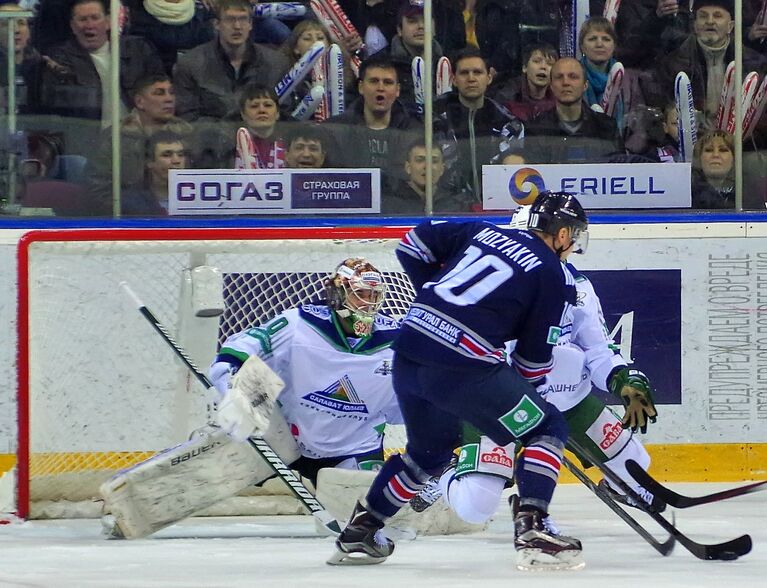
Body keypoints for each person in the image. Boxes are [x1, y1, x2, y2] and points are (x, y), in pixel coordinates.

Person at [329, 191, 588, 570]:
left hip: (410, 350)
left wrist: (440, 305)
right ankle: (532, 525)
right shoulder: (552, 273)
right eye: (574, 236)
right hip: (461, 368)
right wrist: (523, 408)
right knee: (547, 425)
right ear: (562, 234)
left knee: (427, 455)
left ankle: (362, 529)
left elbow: (413, 245)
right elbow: (531, 363)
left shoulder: (482, 231)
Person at [410, 205, 663, 529]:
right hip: (500, 405)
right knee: (475, 508)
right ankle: (445, 470)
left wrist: (623, 378)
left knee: (636, 465)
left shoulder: (579, 288)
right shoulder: (485, 285)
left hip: (568, 401)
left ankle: (619, 488)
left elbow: (599, 350)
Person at [209, 258, 403, 484]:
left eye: (373, 295)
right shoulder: (300, 323)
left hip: (357, 448)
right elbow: (247, 344)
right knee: (250, 378)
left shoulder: (397, 342)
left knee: (365, 515)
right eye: (359, 294)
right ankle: (215, 445)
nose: (367, 304)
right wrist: (228, 373)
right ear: (338, 294)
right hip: (285, 438)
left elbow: (413, 402)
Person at [38, 0, 165, 128]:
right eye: (82, 19)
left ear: (108, 21)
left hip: (138, 133)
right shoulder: (59, 57)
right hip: (88, 135)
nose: (89, 25)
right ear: (72, 26)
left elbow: (160, 91)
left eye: (95, 18)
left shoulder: (139, 49)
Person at [83, 74, 194, 215]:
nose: (169, 99)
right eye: (159, 93)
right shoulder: (114, 138)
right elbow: (96, 193)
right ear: (140, 101)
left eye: (171, 93)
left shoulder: (187, 134)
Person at [433, 48, 524, 210]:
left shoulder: (508, 123)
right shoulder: (435, 118)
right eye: (464, 73)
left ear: (489, 77)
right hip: (444, 207)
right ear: (453, 79)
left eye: (477, 72)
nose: (471, 78)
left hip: (495, 208)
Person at [172, 0, 290, 121]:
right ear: (216, 24)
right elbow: (187, 118)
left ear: (250, 24)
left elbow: (284, 114)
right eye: (230, 19)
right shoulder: (190, 64)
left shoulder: (277, 63)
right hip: (210, 137)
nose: (237, 26)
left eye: (243, 19)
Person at [323, 54, 416, 193]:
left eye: (388, 82)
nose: (380, 88)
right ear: (361, 87)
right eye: (373, 81)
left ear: (397, 90)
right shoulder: (334, 130)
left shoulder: (414, 132)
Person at [524, 57, 623, 164]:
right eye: (559, 77)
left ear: (585, 85)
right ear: (551, 86)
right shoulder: (536, 129)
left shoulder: (607, 127)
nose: (566, 82)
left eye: (573, 77)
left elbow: (621, 168)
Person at [382, 139, 468, 214]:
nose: (427, 166)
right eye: (420, 160)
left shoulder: (456, 205)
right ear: (408, 167)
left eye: (434, 161)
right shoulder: (391, 205)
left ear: (442, 169)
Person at [120, 130, 189, 216]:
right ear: (149, 162)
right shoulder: (129, 202)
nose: (177, 161)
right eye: (167, 155)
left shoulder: (197, 198)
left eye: (181, 154)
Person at [493, 42, 557, 122]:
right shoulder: (507, 97)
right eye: (537, 61)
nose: (543, 67)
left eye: (549, 63)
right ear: (525, 67)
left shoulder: (559, 99)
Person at [691, 129, 735, 209]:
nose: (715, 155)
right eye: (709, 150)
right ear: (699, 157)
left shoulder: (748, 194)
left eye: (723, 150)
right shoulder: (687, 195)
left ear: (734, 159)